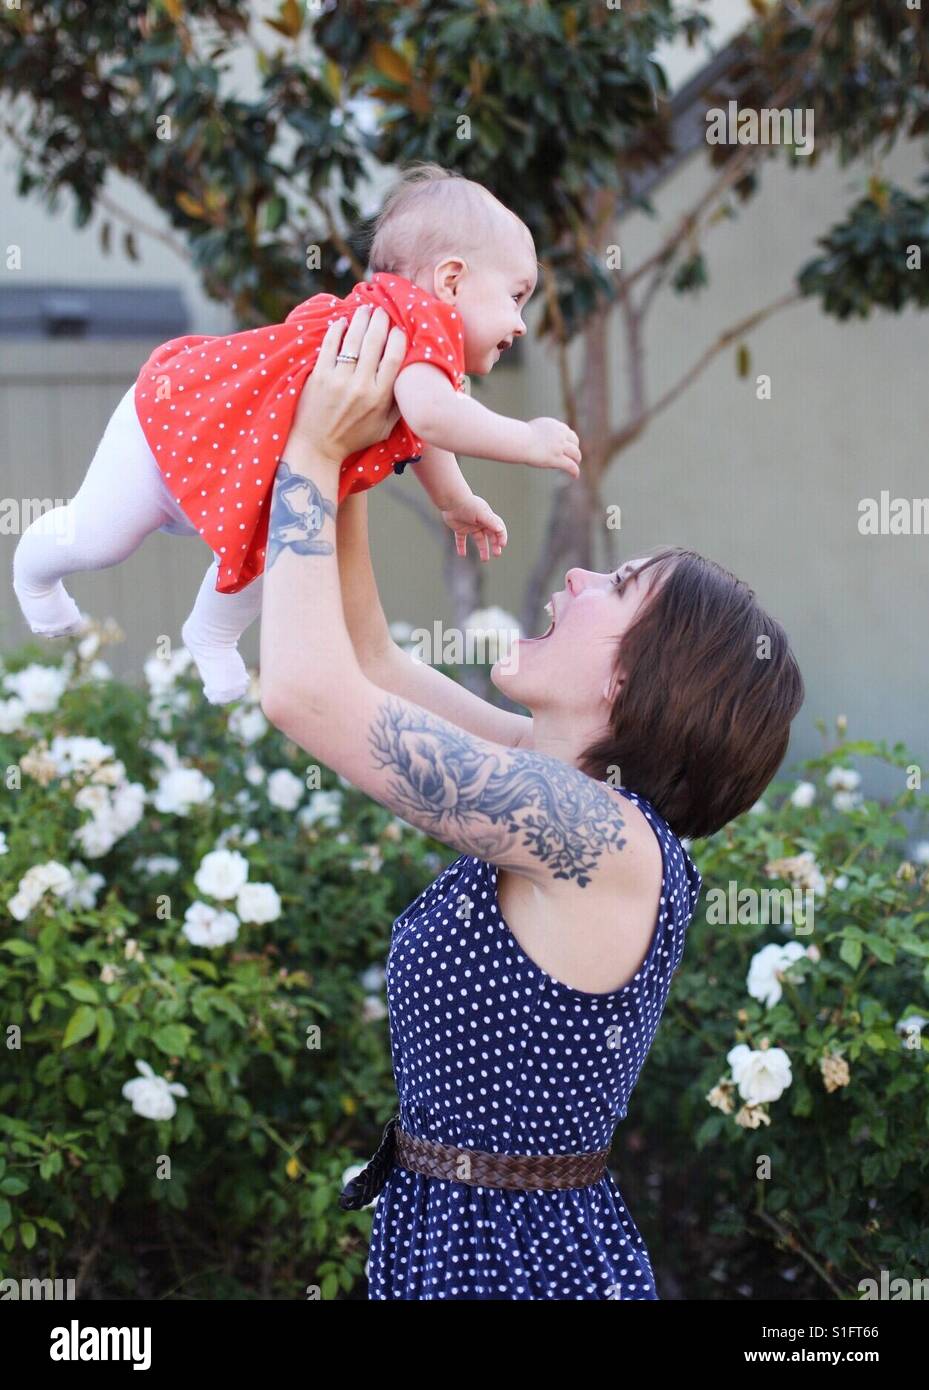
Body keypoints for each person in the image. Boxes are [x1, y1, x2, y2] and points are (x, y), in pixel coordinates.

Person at [258, 305, 805, 1301]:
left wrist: (304, 448)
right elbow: (368, 659)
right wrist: (350, 456)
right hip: (461, 1241)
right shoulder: (564, 793)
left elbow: (303, 692)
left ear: (638, 681)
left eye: (619, 583)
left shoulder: (601, 840)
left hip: (514, 1267)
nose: (580, 574)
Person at [11, 163, 578, 706]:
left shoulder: (412, 346)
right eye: (516, 296)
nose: (522, 322)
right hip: (171, 427)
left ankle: (210, 635)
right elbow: (433, 417)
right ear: (451, 280)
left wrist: (454, 500)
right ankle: (35, 578)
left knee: (271, 562)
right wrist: (526, 440)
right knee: (98, 538)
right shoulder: (415, 319)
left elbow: (424, 429)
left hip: (241, 474)